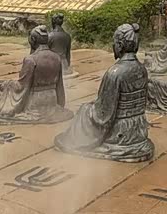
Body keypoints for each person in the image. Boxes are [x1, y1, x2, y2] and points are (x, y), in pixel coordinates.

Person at [54, 24, 153, 162]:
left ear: (120, 45)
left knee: (84, 110)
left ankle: (78, 141)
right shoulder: (141, 68)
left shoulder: (115, 73)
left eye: (115, 43)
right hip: (139, 127)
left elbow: (104, 114)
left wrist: (88, 109)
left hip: (120, 132)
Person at [0, 27, 72, 125]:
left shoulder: (30, 60)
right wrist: (60, 103)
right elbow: (59, 85)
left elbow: (21, 87)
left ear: (33, 40)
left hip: (35, 103)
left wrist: (5, 84)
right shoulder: (57, 57)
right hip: (52, 99)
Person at [48, 12, 76, 78]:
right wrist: (67, 66)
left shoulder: (50, 36)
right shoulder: (67, 36)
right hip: (64, 64)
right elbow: (68, 54)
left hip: (53, 64)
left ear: (53, 22)